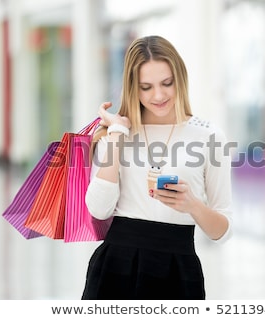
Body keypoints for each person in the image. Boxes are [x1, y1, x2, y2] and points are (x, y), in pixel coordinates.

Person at [82, 35, 233, 300]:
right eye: (146, 87)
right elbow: (99, 208)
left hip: (178, 271)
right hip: (115, 268)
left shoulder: (208, 136)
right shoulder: (118, 132)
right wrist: (117, 131)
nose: (159, 95)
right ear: (132, 87)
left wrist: (192, 205)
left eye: (167, 83)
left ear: (180, 78)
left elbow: (222, 231)